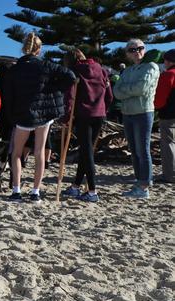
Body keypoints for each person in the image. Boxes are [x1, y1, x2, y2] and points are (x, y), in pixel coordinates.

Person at [4, 32, 76, 202]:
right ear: (39, 49)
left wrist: (11, 115)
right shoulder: (46, 65)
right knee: (39, 152)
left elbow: (8, 95)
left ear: (23, 48)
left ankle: (16, 190)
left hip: (23, 114)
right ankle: (35, 191)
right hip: (44, 114)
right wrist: (54, 89)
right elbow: (70, 77)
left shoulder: (14, 70)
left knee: (16, 153)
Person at [61, 49, 113, 202]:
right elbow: (109, 95)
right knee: (87, 151)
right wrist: (104, 108)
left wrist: (66, 117)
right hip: (99, 114)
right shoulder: (101, 69)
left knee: (87, 152)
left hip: (83, 116)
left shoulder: (74, 72)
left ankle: (92, 191)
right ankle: (76, 186)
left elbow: (69, 97)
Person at [113, 39, 160, 198]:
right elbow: (116, 92)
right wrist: (128, 91)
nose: (137, 51)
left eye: (140, 48)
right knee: (134, 150)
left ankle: (144, 186)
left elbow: (141, 88)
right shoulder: (127, 71)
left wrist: (125, 90)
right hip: (128, 113)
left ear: (144, 49)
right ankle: (141, 181)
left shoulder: (151, 67)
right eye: (132, 49)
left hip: (143, 113)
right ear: (127, 53)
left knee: (143, 149)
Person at [154, 49, 175, 183]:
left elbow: (160, 99)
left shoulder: (168, 75)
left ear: (168, 61)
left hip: (169, 115)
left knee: (168, 144)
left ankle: (170, 175)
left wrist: (155, 107)